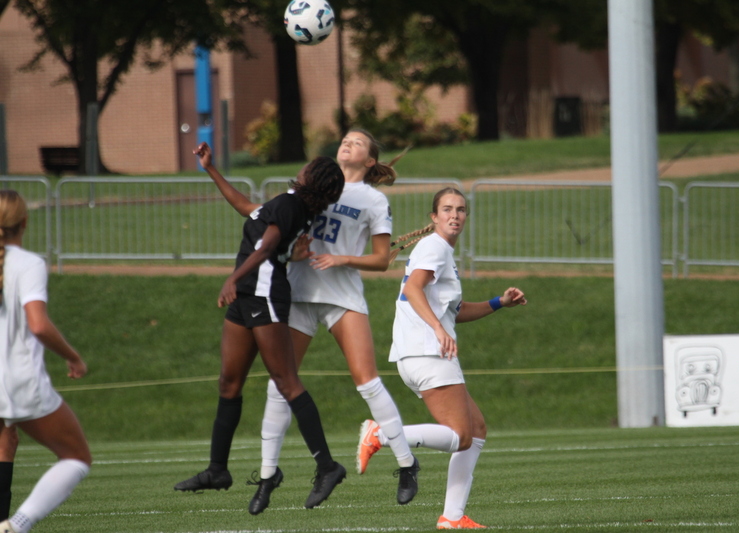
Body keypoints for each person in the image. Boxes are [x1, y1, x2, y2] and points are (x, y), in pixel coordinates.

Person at [248, 129, 419, 515]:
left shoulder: (374, 200)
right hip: (300, 293)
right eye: (345, 139)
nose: (348, 144)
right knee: (281, 384)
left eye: (358, 143)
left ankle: (407, 465)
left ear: (370, 160)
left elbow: (381, 259)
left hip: (342, 296)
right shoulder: (315, 184)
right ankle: (266, 475)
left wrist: (342, 259)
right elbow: (283, 233)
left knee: (368, 381)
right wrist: (295, 254)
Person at [173, 143, 347, 510]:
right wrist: (211, 169)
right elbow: (245, 207)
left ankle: (327, 467)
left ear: (312, 178)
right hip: (248, 296)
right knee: (229, 382)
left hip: (263, 295)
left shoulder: (290, 205)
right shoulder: (289, 203)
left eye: (310, 165)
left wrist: (232, 278)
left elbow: (266, 246)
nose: (303, 165)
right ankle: (217, 470)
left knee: (287, 382)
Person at [357, 187, 527, 530]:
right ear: (434, 217)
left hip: (421, 352)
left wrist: (498, 303)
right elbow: (412, 289)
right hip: (427, 351)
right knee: (460, 436)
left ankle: (452, 517)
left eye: (461, 209)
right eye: (447, 209)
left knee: (475, 430)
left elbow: (456, 310)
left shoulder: (440, 252)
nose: (455, 215)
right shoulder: (434, 247)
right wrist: (438, 329)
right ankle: (383, 435)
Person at [0, 190, 92, 533]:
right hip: (18, 382)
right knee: (77, 457)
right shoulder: (28, 264)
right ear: (24, 223)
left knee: (5, 442)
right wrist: (73, 357)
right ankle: (18, 524)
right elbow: (38, 324)